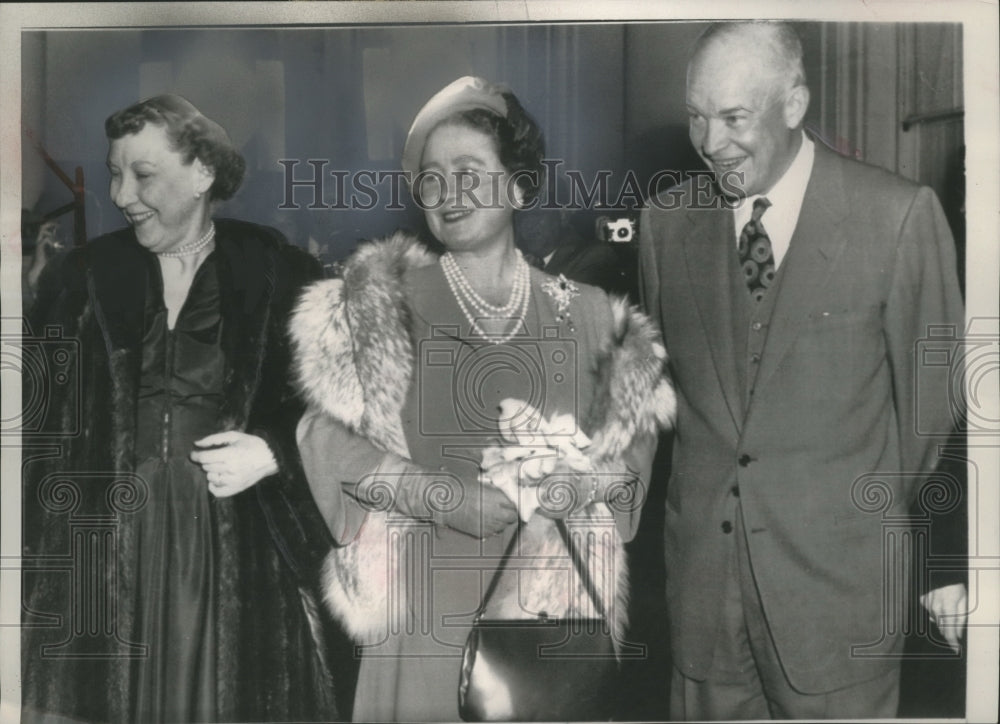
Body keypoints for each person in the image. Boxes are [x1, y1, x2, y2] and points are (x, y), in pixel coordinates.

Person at [291, 76, 675, 722]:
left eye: (469, 171)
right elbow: (323, 442)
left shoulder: (588, 315)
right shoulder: (382, 307)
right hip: (421, 618)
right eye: (432, 179)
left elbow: (635, 447)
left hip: (545, 625)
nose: (447, 192)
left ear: (520, 184)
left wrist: (570, 488)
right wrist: (442, 495)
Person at [638, 22, 966, 719]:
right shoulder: (665, 225)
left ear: (794, 103)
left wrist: (840, 521)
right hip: (703, 604)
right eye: (697, 117)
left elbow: (933, 423)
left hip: (838, 609)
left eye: (734, 117)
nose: (710, 142)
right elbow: (662, 408)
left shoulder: (899, 217)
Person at [21, 94, 338, 723]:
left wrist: (275, 449)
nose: (119, 194)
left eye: (142, 174)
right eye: (115, 172)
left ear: (203, 174)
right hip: (106, 549)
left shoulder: (278, 271)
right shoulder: (81, 275)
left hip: (235, 547)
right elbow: (34, 422)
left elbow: (340, 399)